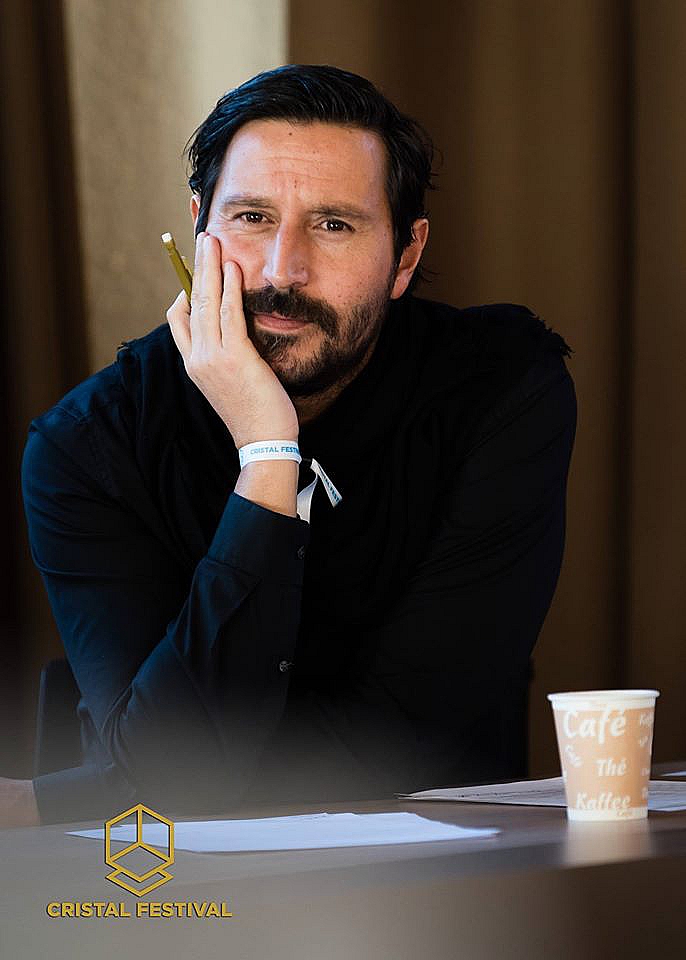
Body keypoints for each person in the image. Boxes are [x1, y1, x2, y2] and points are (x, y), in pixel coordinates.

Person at [2, 64, 575, 827]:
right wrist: (268, 454)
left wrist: (66, 796)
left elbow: (406, 741)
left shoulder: (498, 392)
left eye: (334, 225)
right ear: (201, 226)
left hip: (445, 873)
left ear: (405, 256)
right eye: (251, 217)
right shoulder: (88, 447)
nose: (283, 270)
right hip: (167, 885)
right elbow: (170, 775)